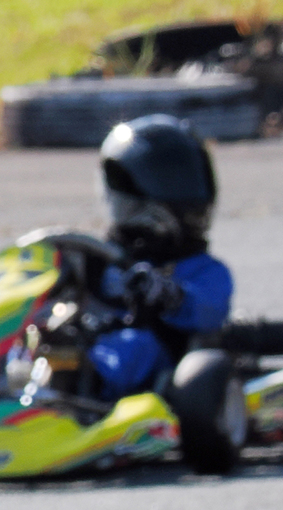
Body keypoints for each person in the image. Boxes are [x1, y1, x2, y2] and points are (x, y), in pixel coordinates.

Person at [87, 115, 235, 400]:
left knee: (135, 346)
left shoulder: (205, 270)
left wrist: (168, 295)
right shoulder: (94, 259)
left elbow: (208, 309)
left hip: (164, 366)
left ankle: (87, 390)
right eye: (170, 179)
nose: (183, 190)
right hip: (86, 342)